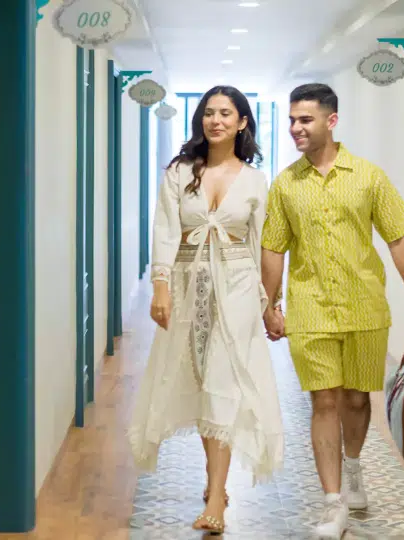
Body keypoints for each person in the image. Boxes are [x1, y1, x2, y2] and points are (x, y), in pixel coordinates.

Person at [260, 83, 404, 539]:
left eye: (305, 119)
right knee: (323, 400)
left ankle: (353, 468)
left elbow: (398, 237)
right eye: (292, 120)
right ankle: (332, 501)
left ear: (331, 121)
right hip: (310, 308)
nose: (295, 128)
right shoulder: (285, 184)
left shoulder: (369, 177)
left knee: (357, 399)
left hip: (364, 307)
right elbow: (273, 247)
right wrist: (270, 304)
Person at [127, 85, 285, 535]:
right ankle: (214, 479)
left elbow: (264, 244)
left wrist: (271, 304)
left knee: (224, 381)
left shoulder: (255, 180)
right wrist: (160, 287)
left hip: (237, 286)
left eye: (226, 113)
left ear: (242, 122)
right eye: (209, 113)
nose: (216, 120)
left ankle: (217, 495)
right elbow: (164, 230)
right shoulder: (180, 173)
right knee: (201, 380)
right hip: (187, 284)